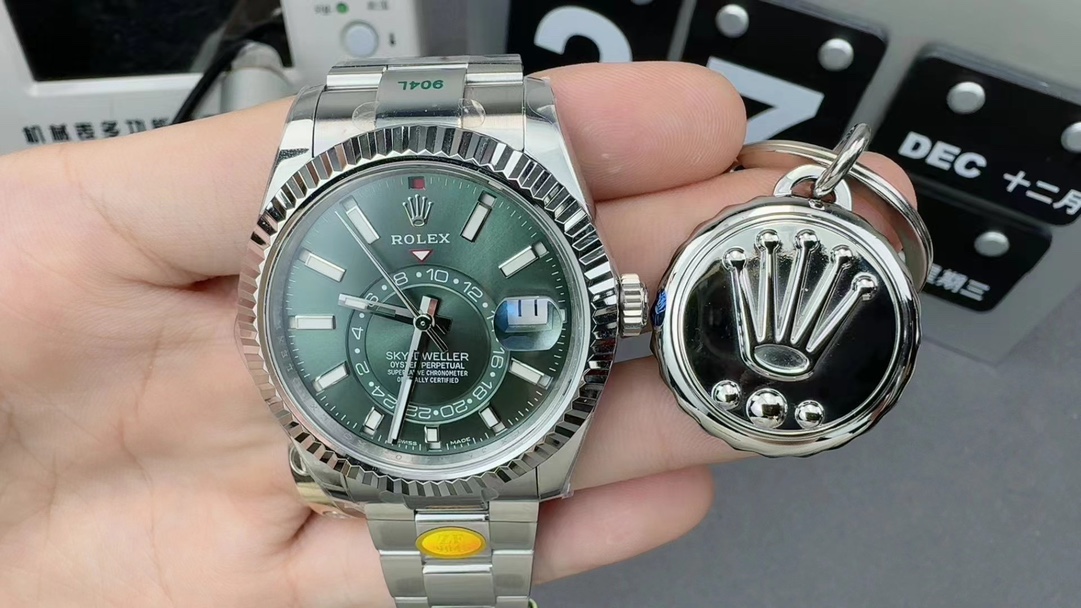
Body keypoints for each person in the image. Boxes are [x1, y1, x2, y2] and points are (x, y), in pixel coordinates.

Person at [0, 62, 914, 607]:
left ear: (615, 307)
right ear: (260, 326)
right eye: (414, 314)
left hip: (472, 424)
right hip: (391, 432)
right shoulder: (279, 317)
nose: (425, 316)